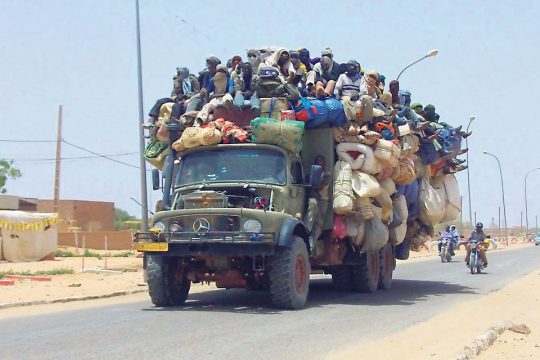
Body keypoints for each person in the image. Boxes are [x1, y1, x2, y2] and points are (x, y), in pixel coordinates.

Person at [304, 155, 331, 246]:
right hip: (314, 199)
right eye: (318, 161)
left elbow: (320, 186)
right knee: (311, 211)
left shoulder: (326, 174)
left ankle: (311, 245)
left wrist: (312, 184)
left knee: (319, 224)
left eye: (321, 161)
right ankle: (306, 231)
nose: (319, 162)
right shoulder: (310, 174)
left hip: (323, 201)